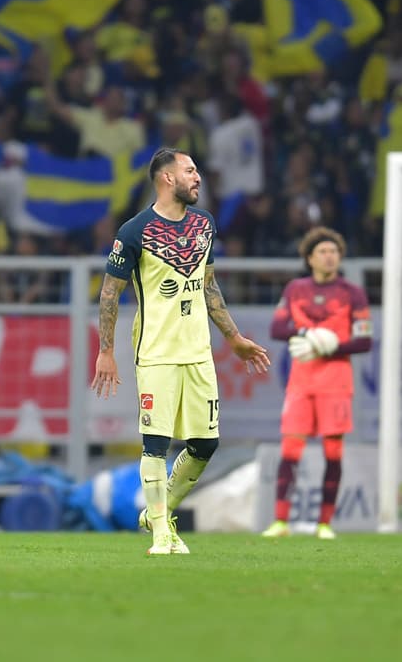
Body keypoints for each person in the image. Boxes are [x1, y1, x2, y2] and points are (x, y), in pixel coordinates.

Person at [92, 147, 270, 555]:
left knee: (205, 445)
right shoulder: (134, 231)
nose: (198, 177)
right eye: (190, 170)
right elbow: (109, 293)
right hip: (156, 350)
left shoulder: (205, 224)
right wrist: (106, 351)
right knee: (155, 443)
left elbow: (208, 286)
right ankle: (161, 533)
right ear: (167, 178)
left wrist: (234, 338)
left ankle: (159, 510)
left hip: (198, 351)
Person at [261, 227, 372, 540]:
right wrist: (308, 335)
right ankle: (280, 522)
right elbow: (277, 328)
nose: (329, 256)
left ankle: (325, 524)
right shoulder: (295, 289)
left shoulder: (353, 293)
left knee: (332, 453)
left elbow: (364, 341)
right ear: (310, 258)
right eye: (323, 251)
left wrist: (330, 346)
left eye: (334, 251)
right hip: (301, 382)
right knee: (290, 450)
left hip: (336, 383)